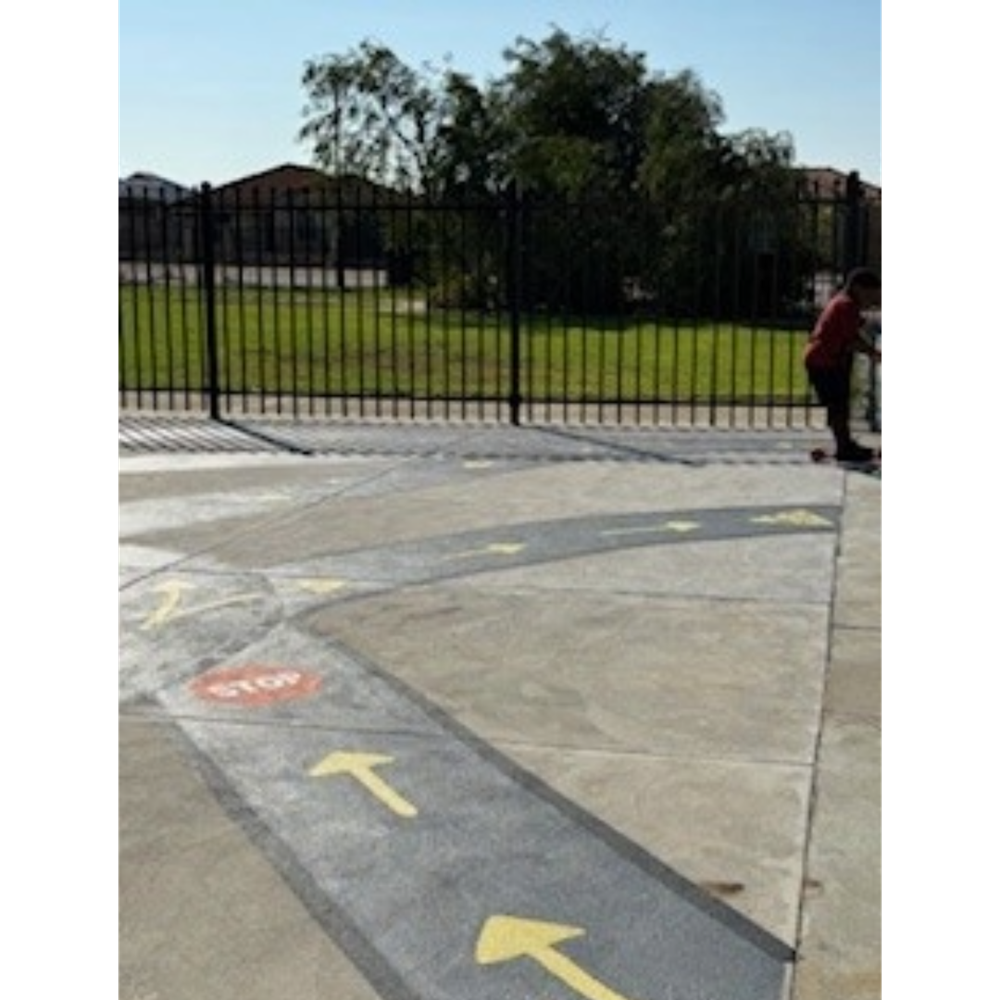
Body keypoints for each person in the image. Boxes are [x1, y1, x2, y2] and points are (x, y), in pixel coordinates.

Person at [803, 267, 883, 461]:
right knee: (838, 404)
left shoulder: (844, 303)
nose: (872, 299)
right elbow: (852, 340)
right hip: (825, 361)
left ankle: (844, 444)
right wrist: (874, 353)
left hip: (825, 360)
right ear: (857, 288)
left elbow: (858, 326)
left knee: (839, 404)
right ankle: (845, 448)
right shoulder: (846, 305)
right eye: (871, 293)